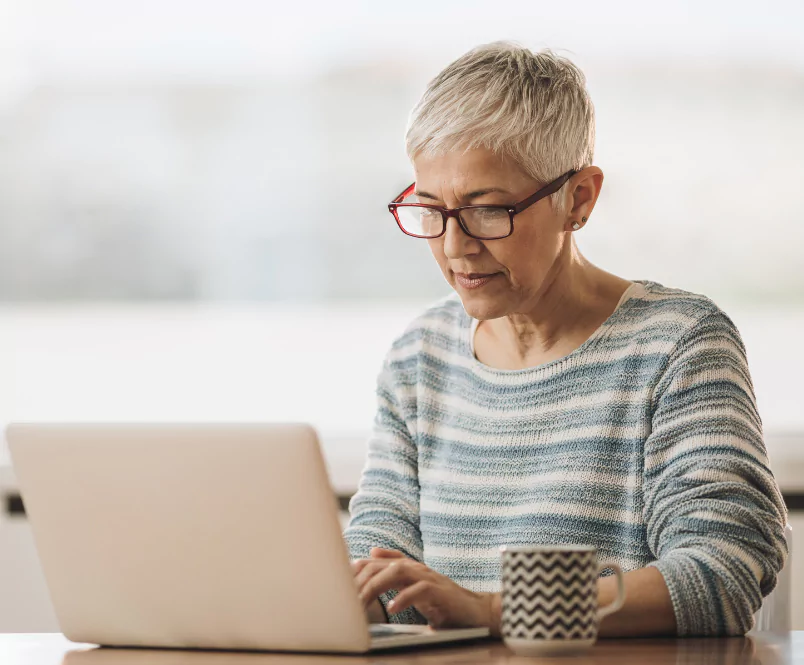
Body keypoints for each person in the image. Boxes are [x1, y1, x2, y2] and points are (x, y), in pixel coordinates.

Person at [342, 42, 787, 638]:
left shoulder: (678, 344)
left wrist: (495, 612)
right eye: (431, 210)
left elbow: (723, 571)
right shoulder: (419, 357)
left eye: (488, 211)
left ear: (578, 198)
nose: (455, 247)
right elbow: (382, 563)